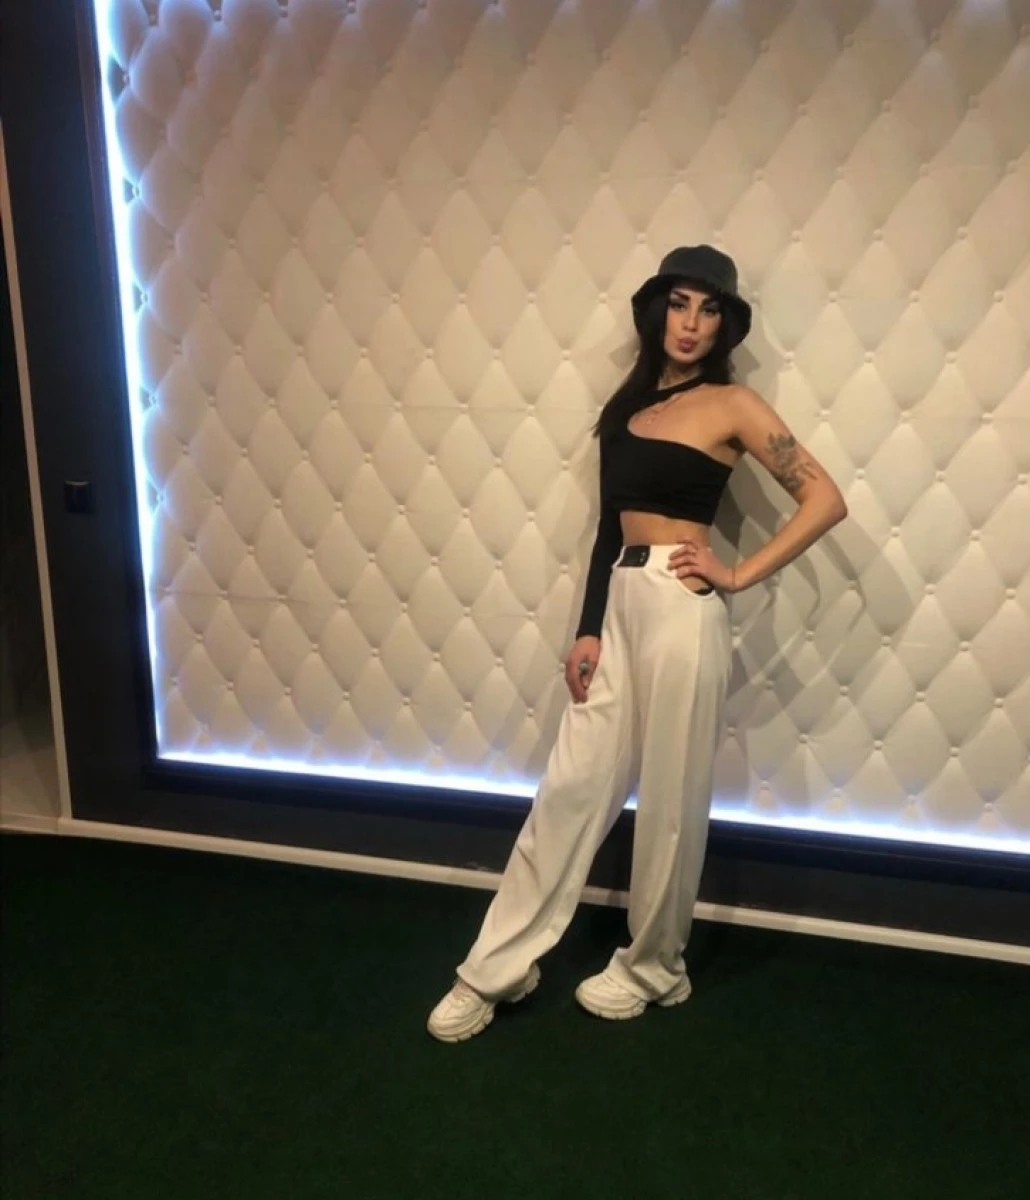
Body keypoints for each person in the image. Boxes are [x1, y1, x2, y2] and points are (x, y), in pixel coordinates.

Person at [427, 244, 848, 1042]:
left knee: (671, 802)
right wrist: (588, 627)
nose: (691, 323)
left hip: (682, 605)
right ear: (656, 311)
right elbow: (606, 528)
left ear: (724, 324)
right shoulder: (626, 411)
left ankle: (656, 969)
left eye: (709, 309)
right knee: (570, 788)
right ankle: (494, 968)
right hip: (620, 600)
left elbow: (824, 498)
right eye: (679, 303)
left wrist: (737, 572)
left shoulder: (733, 403)